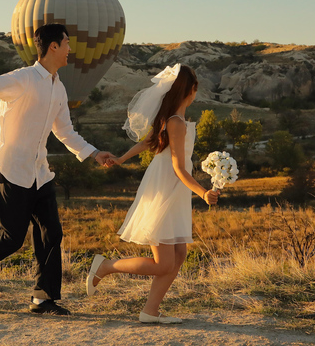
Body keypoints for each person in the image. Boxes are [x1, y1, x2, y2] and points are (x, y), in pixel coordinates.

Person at [0, 23, 113, 316]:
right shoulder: (24, 78)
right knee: (11, 237)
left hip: (40, 173)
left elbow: (65, 131)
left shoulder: (59, 87)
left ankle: (43, 298)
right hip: (12, 171)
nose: (71, 48)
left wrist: (94, 154)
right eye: (67, 42)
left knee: (51, 233)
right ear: (53, 46)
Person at [85, 64, 219, 324]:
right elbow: (179, 168)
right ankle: (105, 266)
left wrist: (123, 158)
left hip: (173, 188)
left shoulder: (171, 119)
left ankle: (150, 311)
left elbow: (149, 141)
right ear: (190, 91)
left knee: (179, 256)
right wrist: (203, 193)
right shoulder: (176, 122)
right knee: (162, 263)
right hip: (167, 187)